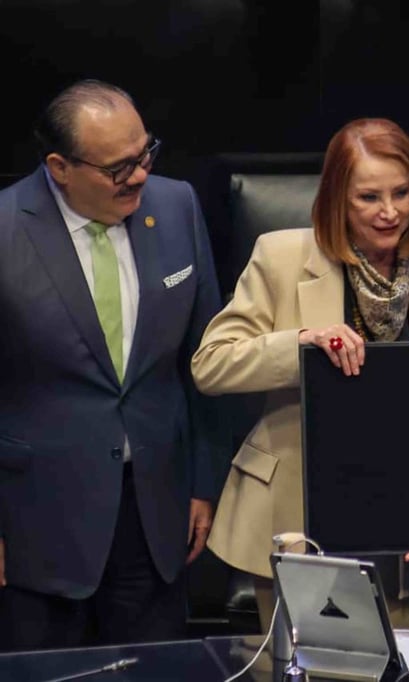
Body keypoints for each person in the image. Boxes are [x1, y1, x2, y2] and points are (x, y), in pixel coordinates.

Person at [191, 118, 409, 628]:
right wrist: (301, 344)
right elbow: (211, 365)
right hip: (297, 510)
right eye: (369, 197)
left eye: (402, 193)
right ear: (337, 199)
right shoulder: (280, 258)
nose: (390, 212)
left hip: (405, 523)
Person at [0, 80, 225, 651]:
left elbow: (207, 357)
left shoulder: (177, 207)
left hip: (155, 510)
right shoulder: (4, 230)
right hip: (37, 520)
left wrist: (203, 482)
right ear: (59, 166)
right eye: (119, 168)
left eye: (145, 153)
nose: (141, 176)